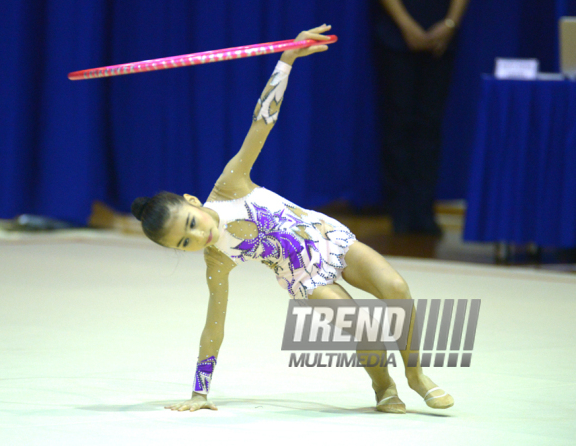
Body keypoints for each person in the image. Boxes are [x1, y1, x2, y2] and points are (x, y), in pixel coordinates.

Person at [131, 25, 454, 413]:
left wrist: (286, 61)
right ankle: (384, 387)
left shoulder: (231, 184)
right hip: (304, 279)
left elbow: (261, 124)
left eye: (191, 223)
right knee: (362, 324)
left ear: (192, 201)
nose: (198, 236)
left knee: (396, 287)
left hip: (329, 238)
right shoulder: (217, 260)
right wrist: (200, 392)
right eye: (184, 242)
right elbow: (214, 326)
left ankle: (416, 375)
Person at [374, 0, 469, 235]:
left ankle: (424, 210)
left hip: (441, 32)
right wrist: (406, 25)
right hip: (397, 31)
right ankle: (400, 212)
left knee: (430, 125)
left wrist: (451, 23)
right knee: (398, 122)